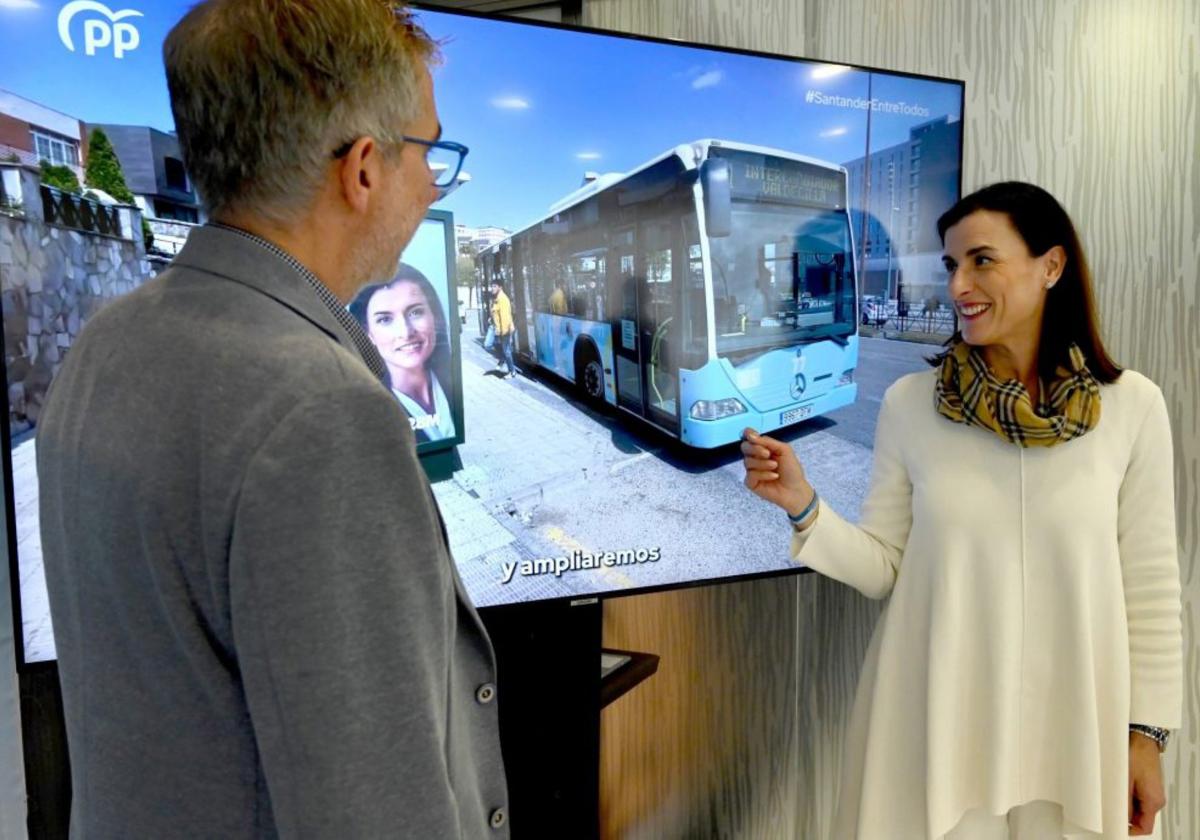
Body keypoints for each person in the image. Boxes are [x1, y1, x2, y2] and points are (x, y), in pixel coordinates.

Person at [35, 2, 507, 837]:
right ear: (363, 168)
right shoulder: (323, 413)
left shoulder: (106, 342)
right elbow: (374, 809)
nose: (436, 180)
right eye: (431, 150)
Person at [742, 182, 1182, 840]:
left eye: (981, 260)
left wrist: (1146, 736)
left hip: (1075, 733)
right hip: (936, 725)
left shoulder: (1133, 408)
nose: (958, 286)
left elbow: (1150, 587)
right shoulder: (912, 405)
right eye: (951, 265)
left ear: (1051, 266)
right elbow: (886, 567)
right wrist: (804, 507)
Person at [350, 263, 456, 442]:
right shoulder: (368, 414)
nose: (406, 332)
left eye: (416, 312)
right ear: (369, 334)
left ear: (434, 316)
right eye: (385, 319)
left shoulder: (450, 385)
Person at [490, 278, 517, 377]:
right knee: (502, 348)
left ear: (500, 287)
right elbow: (496, 314)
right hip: (500, 329)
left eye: (494, 286)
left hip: (504, 329)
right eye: (492, 286)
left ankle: (512, 371)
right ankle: (502, 361)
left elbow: (505, 317)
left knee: (506, 351)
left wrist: (503, 331)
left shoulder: (503, 299)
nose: (492, 288)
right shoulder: (497, 299)